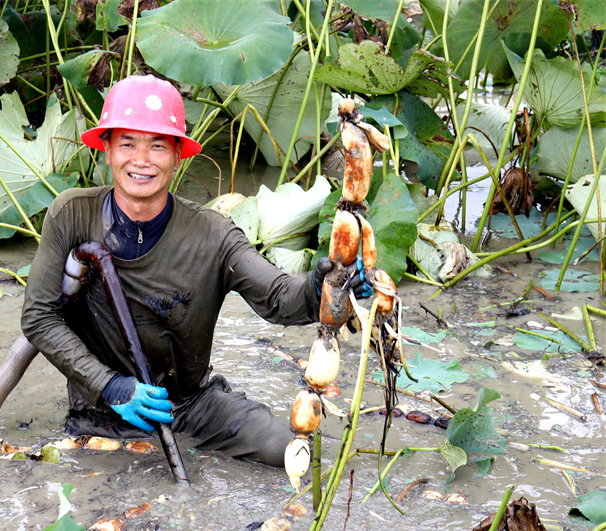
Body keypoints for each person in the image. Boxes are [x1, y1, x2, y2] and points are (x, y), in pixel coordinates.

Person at [21, 75, 370, 467]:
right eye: (127, 143)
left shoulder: (213, 234)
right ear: (106, 149)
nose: (141, 160)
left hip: (189, 406)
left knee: (297, 455)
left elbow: (278, 298)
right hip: (100, 414)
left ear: (177, 154)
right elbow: (38, 317)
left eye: (157, 145)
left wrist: (322, 286)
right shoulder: (71, 213)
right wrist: (109, 386)